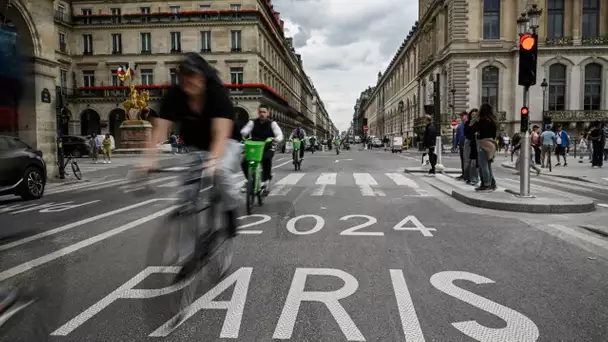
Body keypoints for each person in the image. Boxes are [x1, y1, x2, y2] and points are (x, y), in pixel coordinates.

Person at [144, 52, 241, 240]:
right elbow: (160, 129)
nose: (187, 81)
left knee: (220, 171)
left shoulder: (216, 93)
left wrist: (213, 161)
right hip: (195, 147)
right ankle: (189, 254)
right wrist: (149, 159)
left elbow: (220, 135)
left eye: (192, 75)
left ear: (203, 76)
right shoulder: (174, 96)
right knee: (186, 196)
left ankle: (231, 211)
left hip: (227, 142)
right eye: (182, 76)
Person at [240, 104, 284, 191]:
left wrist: (276, 139)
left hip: (267, 146)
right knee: (244, 161)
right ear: (258, 112)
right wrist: (242, 136)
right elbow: (244, 131)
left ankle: (265, 181)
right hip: (254, 146)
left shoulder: (272, 124)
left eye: (264, 112)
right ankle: (249, 180)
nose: (262, 114)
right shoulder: (252, 122)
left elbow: (279, 135)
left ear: (268, 113)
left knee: (266, 160)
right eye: (260, 112)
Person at [469, 103, 497, 191]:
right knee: (488, 165)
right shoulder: (492, 120)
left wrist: (473, 120)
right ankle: (491, 183)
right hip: (491, 143)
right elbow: (494, 134)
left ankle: (486, 184)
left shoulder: (481, 120)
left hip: (483, 143)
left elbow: (471, 129)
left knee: (483, 165)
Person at [453, 111, 467, 180]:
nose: (461, 117)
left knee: (467, 161)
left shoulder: (468, 124)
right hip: (461, 145)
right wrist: (455, 146)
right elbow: (457, 136)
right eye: (461, 116)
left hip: (467, 146)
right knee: (463, 161)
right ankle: (464, 174)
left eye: (462, 116)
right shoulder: (459, 126)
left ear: (466, 116)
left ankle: (467, 175)